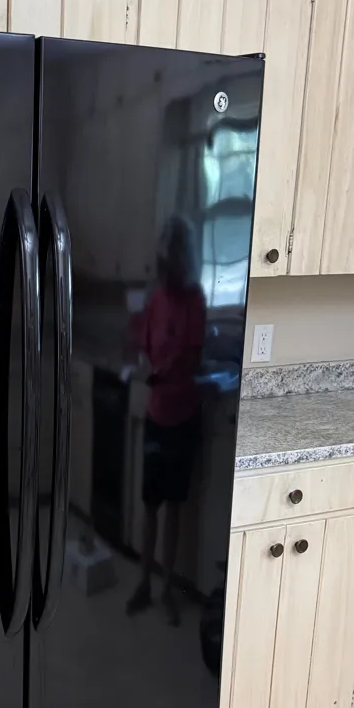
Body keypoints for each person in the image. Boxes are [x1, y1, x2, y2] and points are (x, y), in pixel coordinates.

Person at [127, 215, 206, 627]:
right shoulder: (156, 299)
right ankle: (143, 582)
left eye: (171, 264)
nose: (165, 272)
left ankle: (167, 588)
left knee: (174, 507)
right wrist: (147, 367)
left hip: (183, 418)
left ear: (183, 262)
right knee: (150, 505)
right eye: (162, 264)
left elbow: (191, 357)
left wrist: (164, 371)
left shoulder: (195, 300)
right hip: (157, 416)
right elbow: (144, 347)